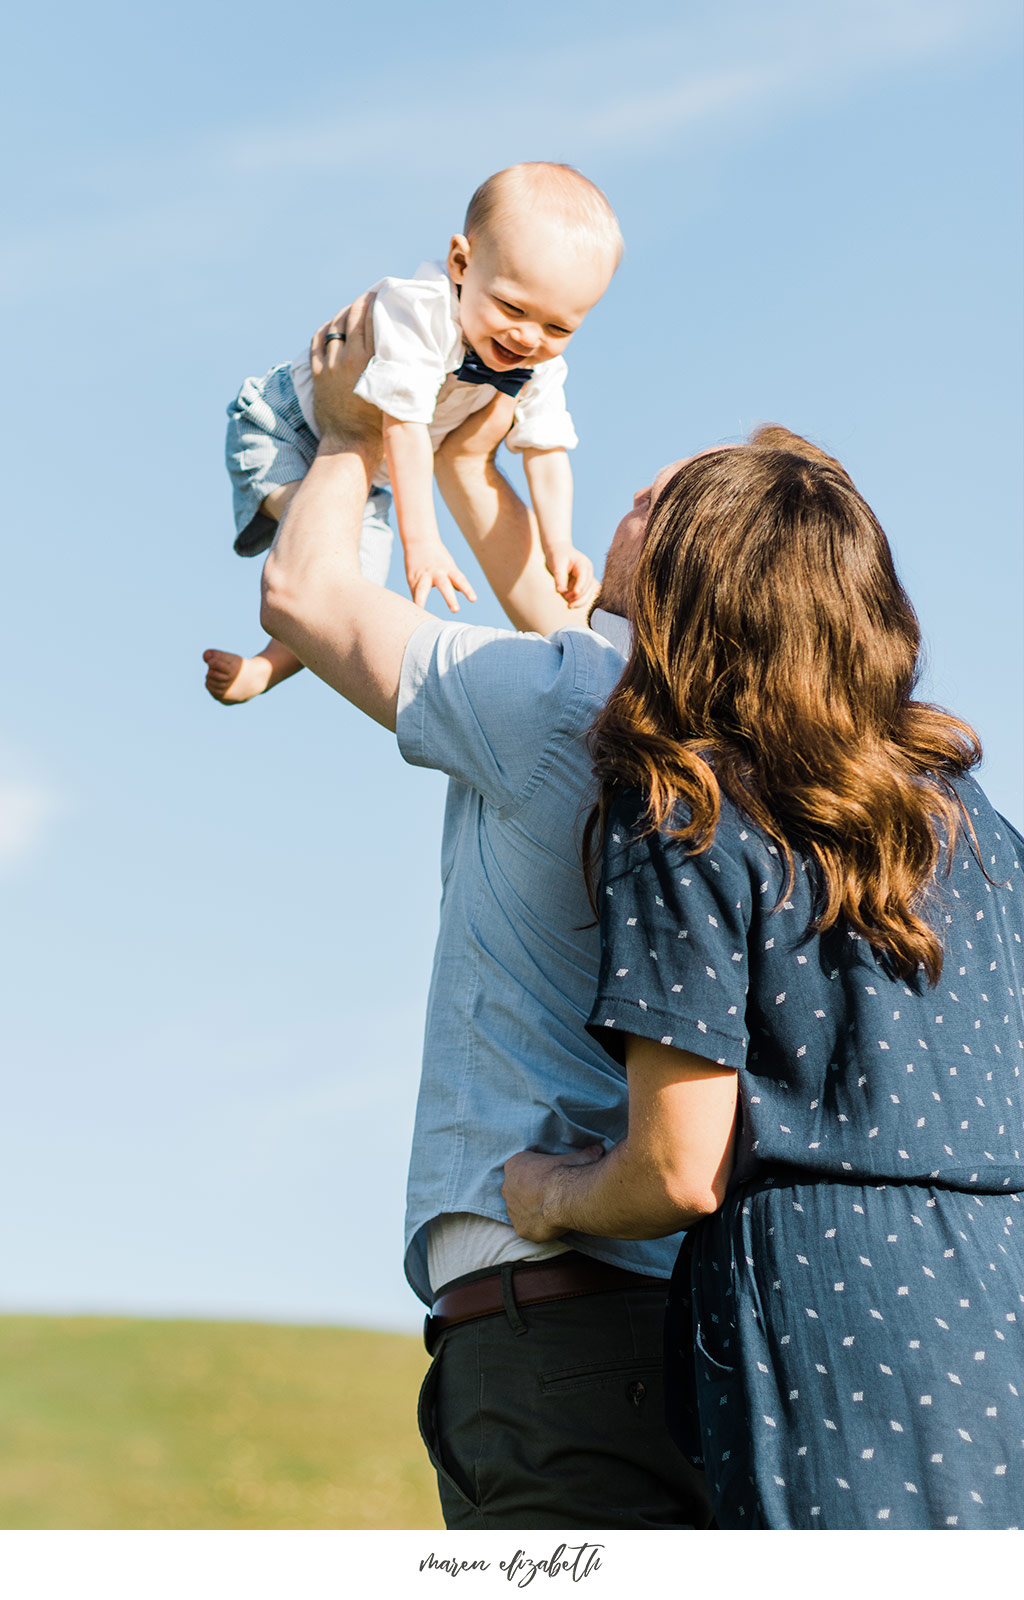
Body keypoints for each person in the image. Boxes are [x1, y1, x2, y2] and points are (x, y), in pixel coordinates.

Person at [502, 431, 1024, 1530]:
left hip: (838, 1308)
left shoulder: (688, 802)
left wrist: (549, 1194)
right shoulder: (975, 826)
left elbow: (679, 1167)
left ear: (694, 597)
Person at [255, 298, 712, 1530]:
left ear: (678, 562)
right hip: (665, 1321)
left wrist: (359, 420)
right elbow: (561, 630)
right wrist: (460, 458)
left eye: (644, 500)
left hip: (551, 1323)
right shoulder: (684, 728)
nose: (612, 502)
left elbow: (302, 592)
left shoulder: (561, 702)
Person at [203, 162, 621, 707]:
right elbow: (402, 427)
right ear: (461, 264)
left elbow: (545, 449)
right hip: (286, 428)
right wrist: (422, 543)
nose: (527, 336)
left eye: (558, 327)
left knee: (353, 584)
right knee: (327, 565)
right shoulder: (420, 312)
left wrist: (557, 541)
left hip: (370, 470)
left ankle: (264, 667)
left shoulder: (538, 364)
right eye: (511, 308)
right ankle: (274, 647)